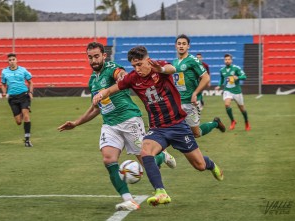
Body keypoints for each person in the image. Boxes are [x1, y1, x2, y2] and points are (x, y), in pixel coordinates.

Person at [93, 46, 223, 207]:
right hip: (157, 128)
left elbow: (171, 68)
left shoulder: (158, 68)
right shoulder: (133, 78)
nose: (137, 69)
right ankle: (160, 192)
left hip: (178, 126)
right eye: (134, 66)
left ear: (148, 60)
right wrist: (101, 94)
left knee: (200, 165)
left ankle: (212, 165)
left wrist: (160, 68)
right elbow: (113, 88)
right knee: (145, 151)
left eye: (140, 64)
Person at [57, 42, 176, 211]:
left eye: (97, 56)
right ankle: (128, 200)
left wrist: (121, 76)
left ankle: (161, 157)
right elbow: (96, 108)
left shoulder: (112, 67)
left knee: (147, 162)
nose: (93, 60)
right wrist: (76, 123)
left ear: (104, 56)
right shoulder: (93, 80)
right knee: (108, 159)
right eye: (90, 57)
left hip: (129, 120)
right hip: (110, 124)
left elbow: (121, 74)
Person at [173, 34, 226, 138]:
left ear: (188, 46)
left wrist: (195, 93)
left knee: (196, 133)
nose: (181, 46)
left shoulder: (192, 60)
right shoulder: (174, 62)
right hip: (178, 102)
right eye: (179, 44)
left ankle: (215, 123)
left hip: (190, 102)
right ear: (175, 46)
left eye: (184, 44)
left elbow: (206, 77)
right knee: (174, 130)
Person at [1, 53, 34, 147]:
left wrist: (31, 92)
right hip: (12, 98)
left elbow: (31, 82)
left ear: (16, 60)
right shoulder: (4, 72)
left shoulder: (23, 70)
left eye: (13, 59)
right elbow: (3, 84)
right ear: (8, 61)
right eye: (10, 60)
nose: (11, 61)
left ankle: (27, 140)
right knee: (19, 122)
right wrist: (4, 92)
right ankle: (24, 110)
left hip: (24, 95)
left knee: (26, 117)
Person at [215, 54, 251, 131]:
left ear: (231, 60)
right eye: (225, 59)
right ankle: (233, 121)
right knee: (227, 104)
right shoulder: (222, 70)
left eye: (228, 59)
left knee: (242, 109)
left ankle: (246, 122)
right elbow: (222, 79)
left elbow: (244, 76)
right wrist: (219, 85)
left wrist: (237, 77)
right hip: (227, 90)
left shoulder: (236, 68)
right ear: (224, 60)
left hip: (237, 91)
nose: (227, 61)